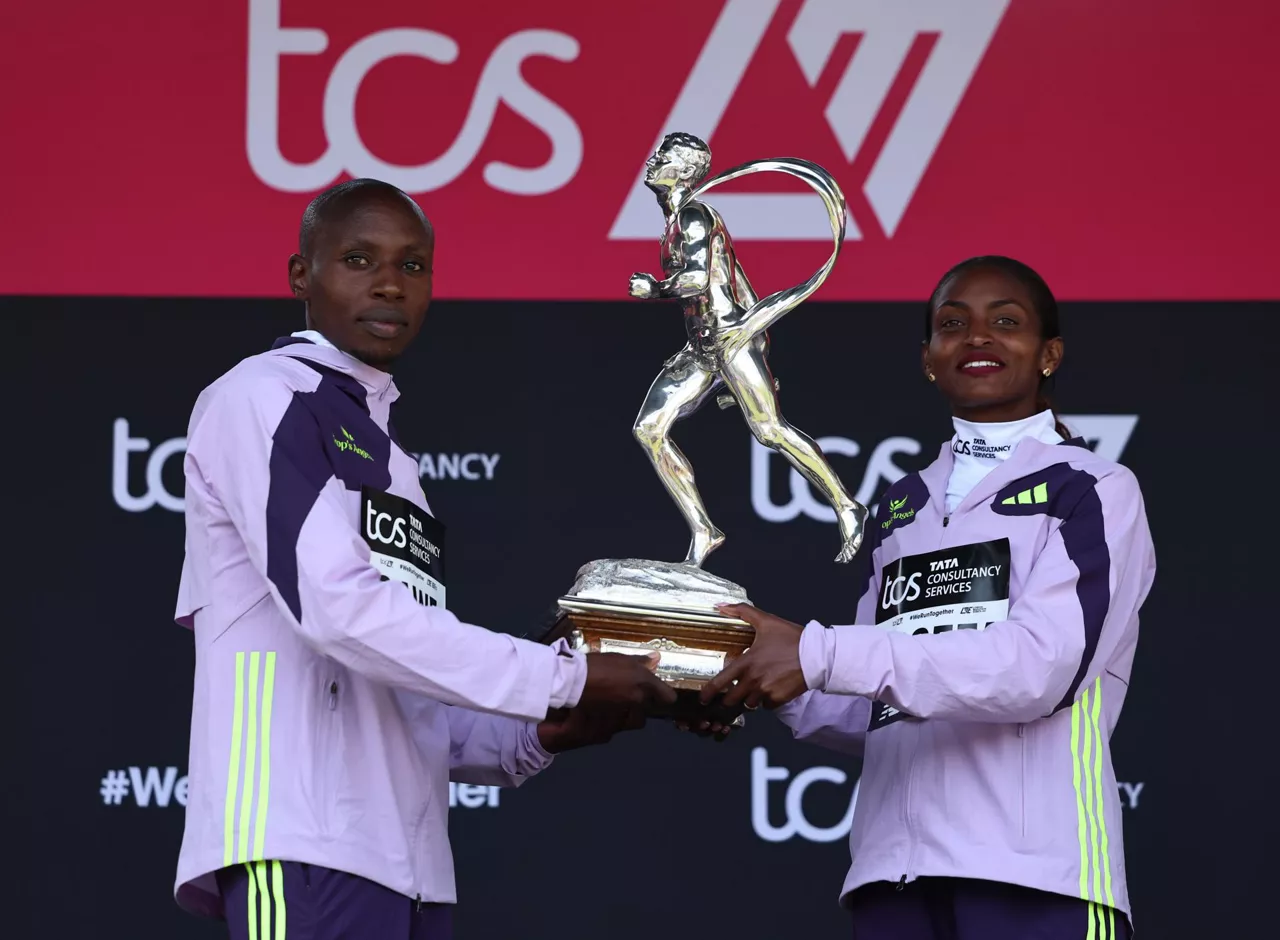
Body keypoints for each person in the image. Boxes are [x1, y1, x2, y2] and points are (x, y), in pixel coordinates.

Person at [172, 178, 676, 939]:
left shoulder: (396, 462)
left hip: (409, 871)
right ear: (300, 275)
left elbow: (404, 692)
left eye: (413, 267)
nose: (388, 283)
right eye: (358, 258)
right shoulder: (262, 399)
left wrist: (537, 733)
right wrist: (562, 677)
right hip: (298, 844)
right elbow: (339, 614)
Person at [701, 256, 1153, 940]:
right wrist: (755, 677)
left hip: (1036, 879)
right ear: (927, 359)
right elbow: (876, 708)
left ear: (1050, 353)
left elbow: (1036, 672)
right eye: (952, 324)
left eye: (1006, 321)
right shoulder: (902, 506)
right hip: (894, 879)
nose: (977, 338)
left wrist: (815, 651)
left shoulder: (1089, 489)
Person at [628, 132, 865, 566]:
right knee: (650, 429)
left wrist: (655, 288)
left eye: (663, 155)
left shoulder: (695, 216)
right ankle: (704, 530)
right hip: (701, 347)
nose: (652, 161)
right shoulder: (675, 221)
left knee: (769, 430)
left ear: (683, 170)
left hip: (729, 341)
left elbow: (697, 281)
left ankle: (847, 506)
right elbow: (737, 280)